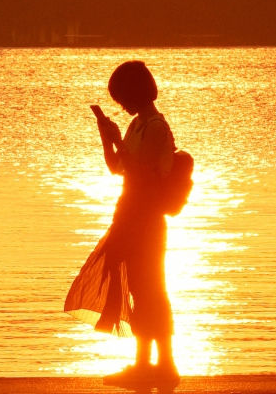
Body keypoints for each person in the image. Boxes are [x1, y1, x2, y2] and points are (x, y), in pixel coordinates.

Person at [65, 60, 179, 388]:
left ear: (136, 92)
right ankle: (145, 364)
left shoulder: (156, 126)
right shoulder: (137, 125)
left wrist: (117, 141)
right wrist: (108, 138)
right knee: (137, 289)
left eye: (122, 97)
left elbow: (145, 176)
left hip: (146, 218)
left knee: (150, 289)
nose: (121, 104)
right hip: (128, 214)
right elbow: (118, 168)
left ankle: (165, 365)